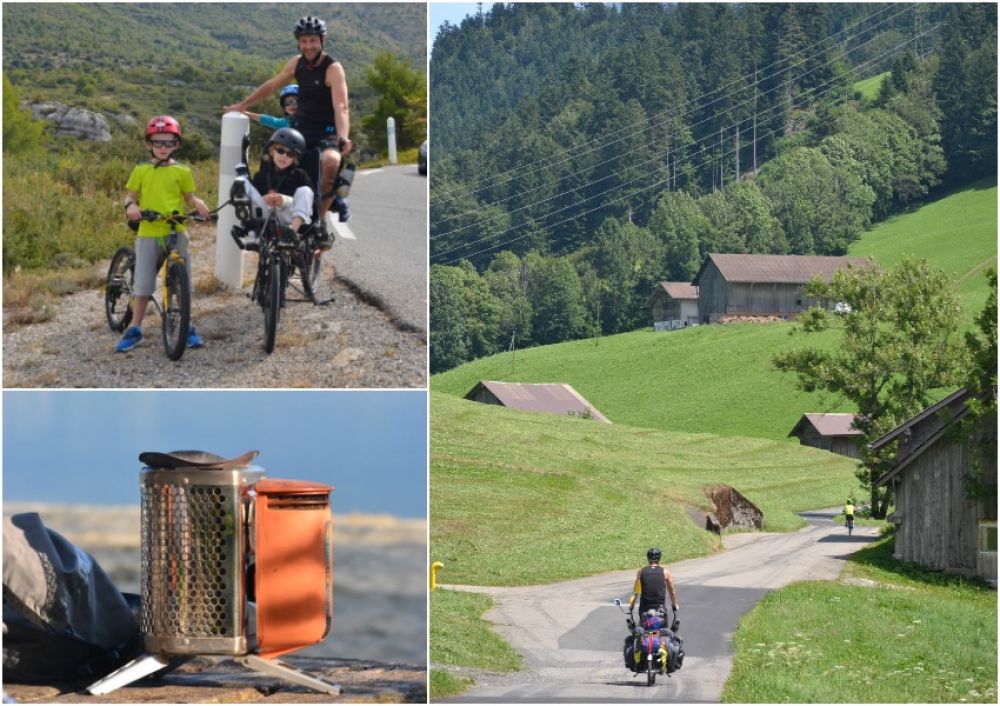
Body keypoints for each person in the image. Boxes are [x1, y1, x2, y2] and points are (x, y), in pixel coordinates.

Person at [224, 15, 352, 233]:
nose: (308, 46)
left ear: (322, 40)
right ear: (298, 42)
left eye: (313, 40)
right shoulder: (296, 63)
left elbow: (341, 107)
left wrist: (343, 137)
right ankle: (262, 213)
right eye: (304, 41)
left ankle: (318, 221)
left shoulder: (332, 68)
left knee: (331, 161)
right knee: (274, 156)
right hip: (299, 129)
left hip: (325, 133)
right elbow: (271, 86)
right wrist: (242, 105)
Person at [117, 115, 211, 353]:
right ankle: (135, 329)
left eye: (168, 143)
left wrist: (198, 204)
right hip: (149, 230)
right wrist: (132, 207)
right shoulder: (141, 170)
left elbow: (189, 198)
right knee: (144, 282)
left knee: (183, 280)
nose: (162, 147)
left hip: (175, 228)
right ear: (149, 144)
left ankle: (187, 326)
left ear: (177, 144)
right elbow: (130, 196)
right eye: (157, 142)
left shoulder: (183, 171)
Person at [231, 127, 315, 246]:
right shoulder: (261, 175)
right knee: (244, 183)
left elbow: (309, 201)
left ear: (295, 159)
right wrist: (263, 199)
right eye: (280, 150)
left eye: (290, 154)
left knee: (306, 191)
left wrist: (285, 200)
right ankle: (247, 220)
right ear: (272, 151)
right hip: (264, 215)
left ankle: (291, 233)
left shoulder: (300, 175)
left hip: (287, 218)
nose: (284, 156)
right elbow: (256, 197)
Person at [629, 547, 679, 620]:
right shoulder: (665, 572)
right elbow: (672, 592)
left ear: (648, 558)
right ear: (659, 558)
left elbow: (636, 592)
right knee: (664, 626)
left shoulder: (641, 571)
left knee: (641, 627)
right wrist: (674, 605)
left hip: (644, 608)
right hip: (660, 608)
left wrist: (632, 605)